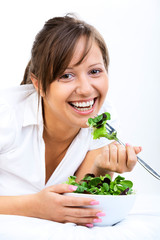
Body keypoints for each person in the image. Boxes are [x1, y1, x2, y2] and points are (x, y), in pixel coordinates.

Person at [0, 14, 142, 228]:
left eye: (95, 71)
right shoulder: (6, 113)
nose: (86, 89)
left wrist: (101, 166)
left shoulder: (103, 118)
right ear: (38, 84)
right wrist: (33, 206)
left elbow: (79, 206)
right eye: (66, 75)